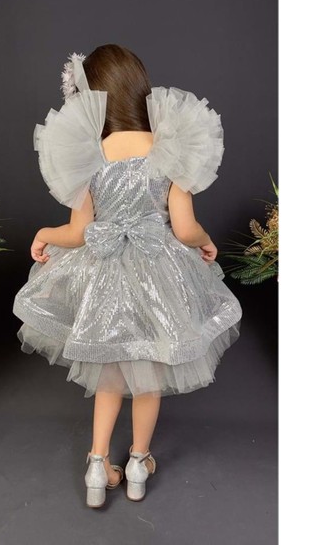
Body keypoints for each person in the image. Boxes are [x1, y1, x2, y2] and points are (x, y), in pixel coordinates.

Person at [12, 44, 242, 508]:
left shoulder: (89, 152)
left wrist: (44, 233)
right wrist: (204, 241)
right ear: (139, 88)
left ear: (91, 97)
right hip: (160, 274)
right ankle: (138, 462)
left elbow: (78, 233)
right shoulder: (168, 147)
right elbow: (184, 228)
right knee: (149, 373)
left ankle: (97, 466)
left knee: (110, 373)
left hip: (105, 276)